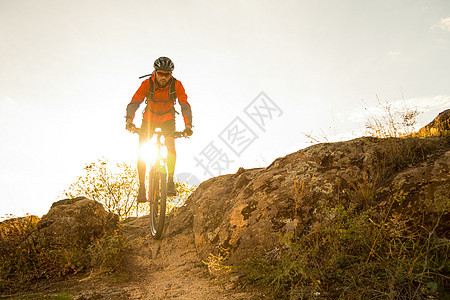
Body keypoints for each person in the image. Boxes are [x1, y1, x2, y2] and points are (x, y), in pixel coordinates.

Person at [125, 57, 193, 202]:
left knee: (170, 144)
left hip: (167, 119)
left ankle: (169, 181)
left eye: (167, 74)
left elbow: (184, 105)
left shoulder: (177, 85)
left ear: (171, 74)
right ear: (155, 72)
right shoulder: (147, 83)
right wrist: (129, 121)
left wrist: (188, 126)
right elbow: (135, 101)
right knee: (142, 150)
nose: (163, 77)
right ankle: (142, 187)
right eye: (160, 73)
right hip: (149, 119)